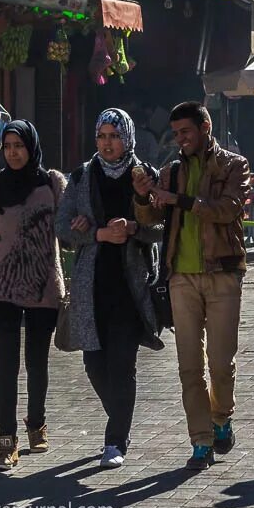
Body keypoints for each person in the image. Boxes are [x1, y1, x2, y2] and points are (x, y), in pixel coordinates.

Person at [132, 102, 250, 472]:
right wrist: (142, 195)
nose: (180, 140)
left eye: (186, 132)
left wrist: (181, 201)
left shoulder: (233, 165)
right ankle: (200, 440)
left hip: (223, 274)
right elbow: (152, 215)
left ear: (205, 127)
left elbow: (228, 209)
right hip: (180, 278)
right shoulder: (171, 171)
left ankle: (221, 418)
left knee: (220, 363)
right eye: (176, 134)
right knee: (188, 366)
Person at [54, 108, 165, 469]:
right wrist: (97, 233)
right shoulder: (82, 177)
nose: (107, 143)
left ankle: (116, 439)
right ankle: (120, 416)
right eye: (102, 136)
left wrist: (133, 228)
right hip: (92, 286)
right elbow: (62, 228)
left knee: (122, 365)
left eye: (114, 136)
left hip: (130, 287)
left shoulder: (145, 176)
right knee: (94, 365)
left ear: (127, 138)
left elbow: (162, 229)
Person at [0, 121, 67, 471]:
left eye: (19, 145)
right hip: (3, 288)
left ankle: (36, 423)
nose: (13, 152)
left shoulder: (52, 184)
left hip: (43, 287)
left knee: (37, 362)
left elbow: (67, 232)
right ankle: (7, 443)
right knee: (6, 367)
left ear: (31, 146)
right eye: (7, 146)